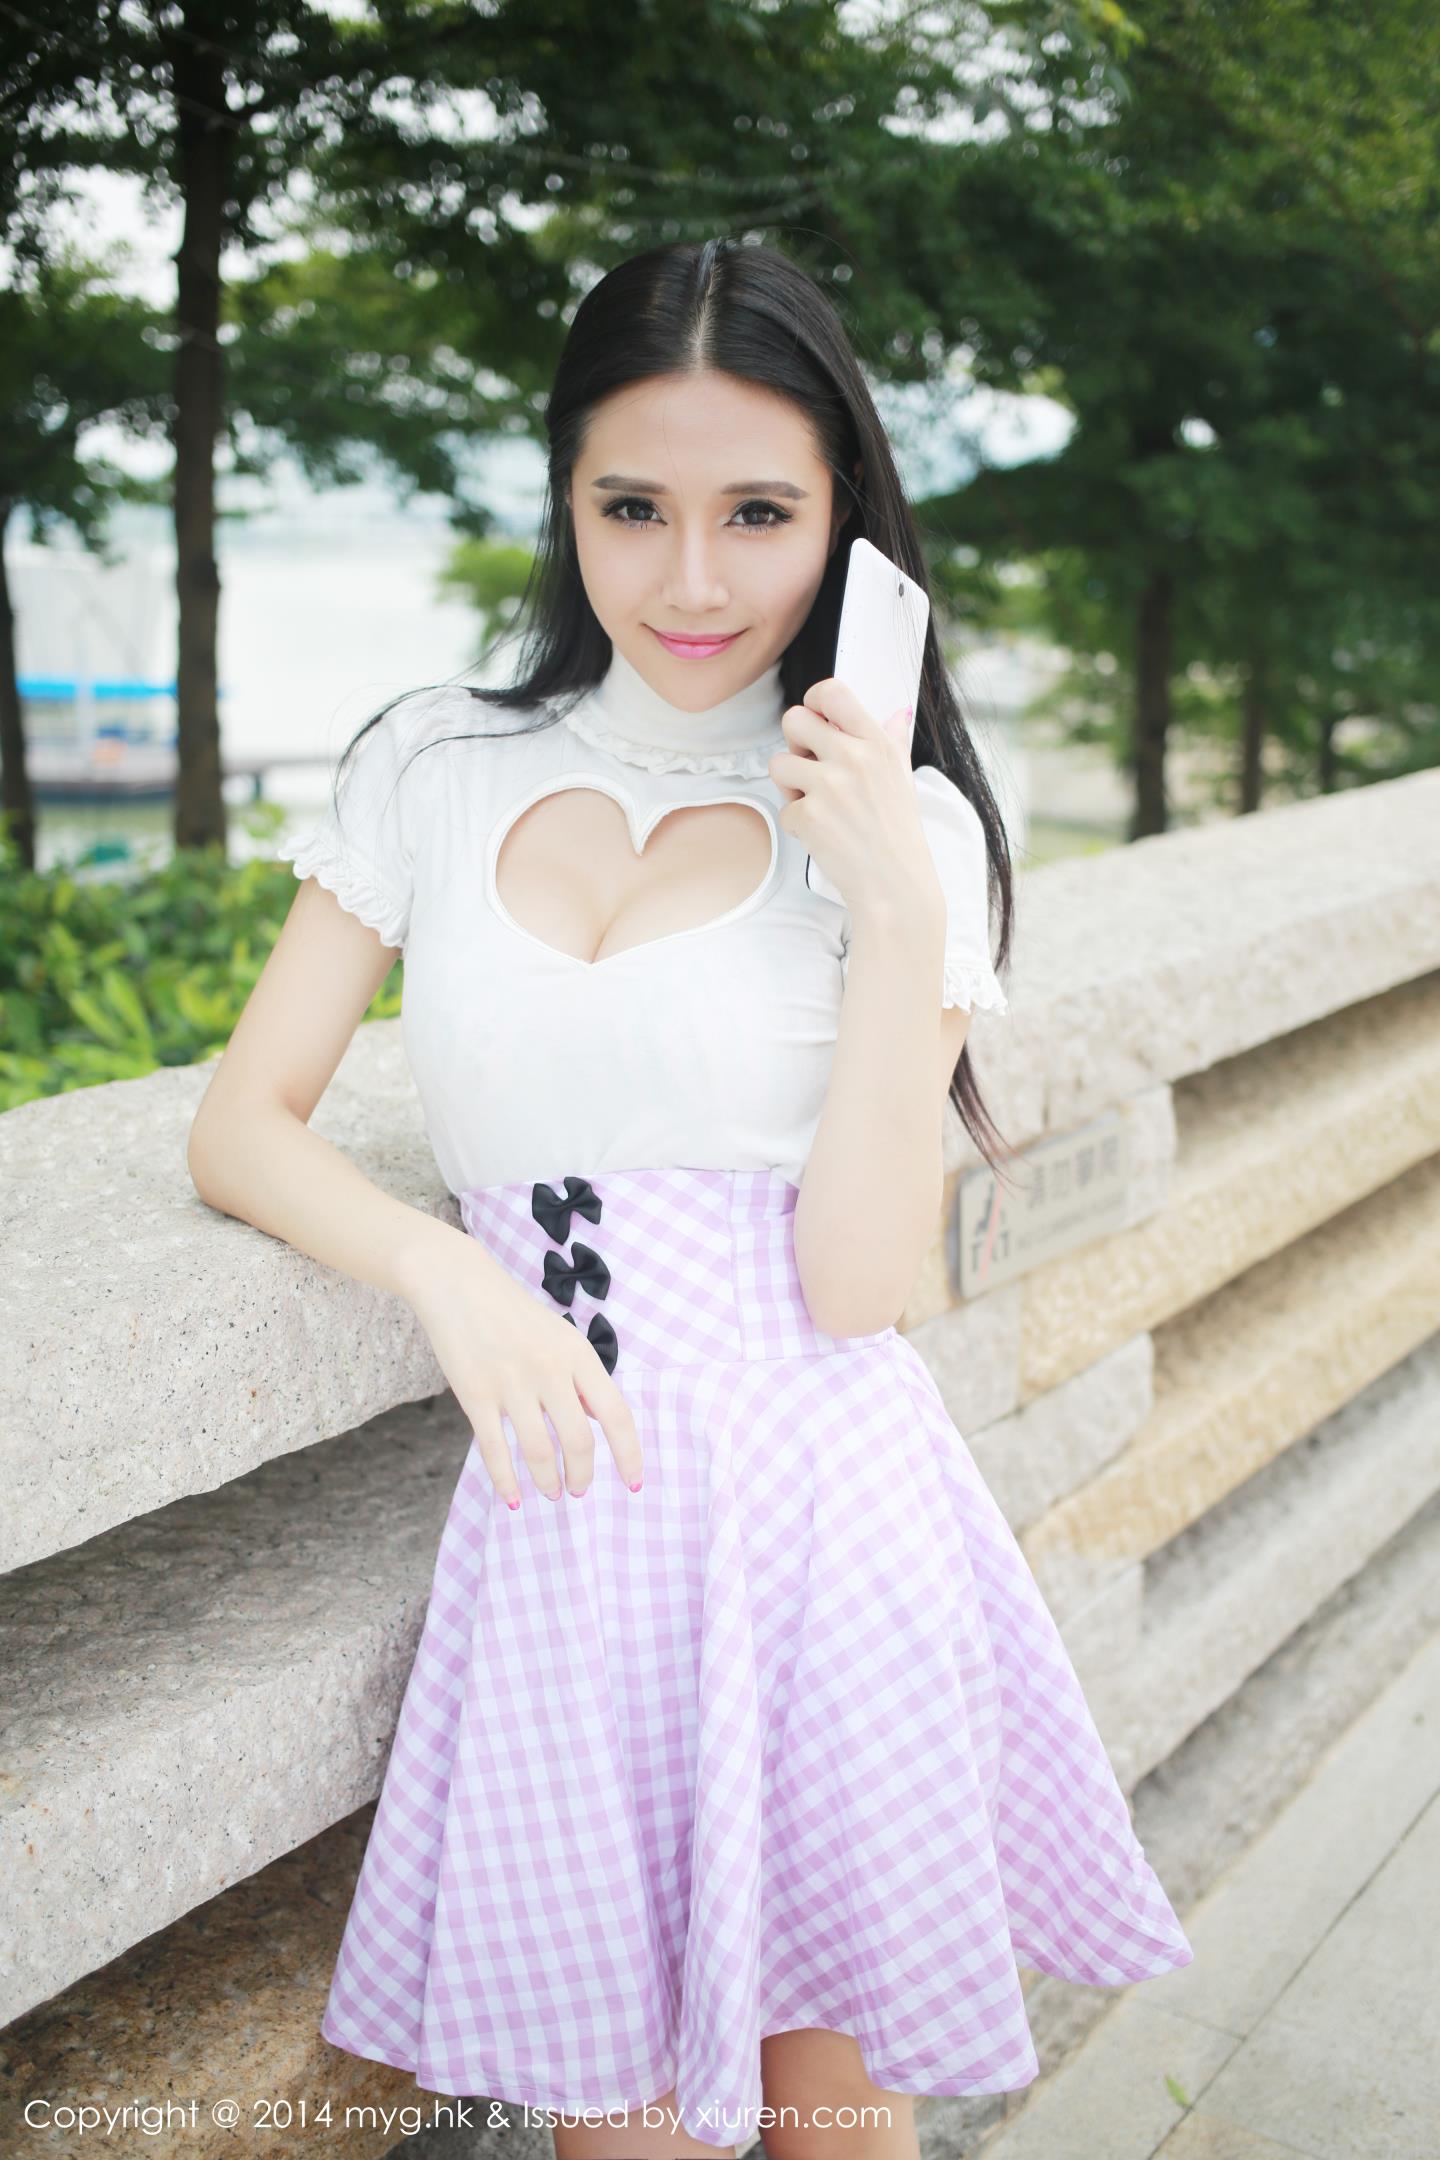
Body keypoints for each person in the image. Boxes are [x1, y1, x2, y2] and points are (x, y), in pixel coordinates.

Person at [187, 238, 1192, 2160]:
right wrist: (447, 1275)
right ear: (566, 497)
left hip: (822, 1527)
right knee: (621, 2130)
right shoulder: (437, 765)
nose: (694, 582)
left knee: (828, 2125)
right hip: (570, 1533)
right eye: (633, 509)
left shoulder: (905, 831)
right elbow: (245, 1123)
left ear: (847, 522)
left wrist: (889, 897)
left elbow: (857, 1283)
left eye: (760, 515)